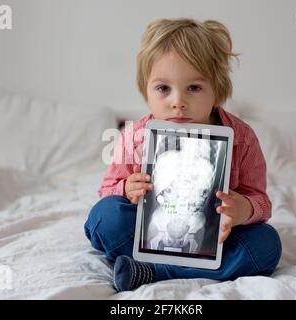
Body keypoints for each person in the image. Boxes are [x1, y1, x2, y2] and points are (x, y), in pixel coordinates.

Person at [84, 18, 282, 292]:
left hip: (216, 239)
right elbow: (106, 191)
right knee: (104, 217)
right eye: (163, 88)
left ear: (217, 88)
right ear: (146, 90)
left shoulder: (242, 138)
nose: (178, 101)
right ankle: (173, 267)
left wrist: (244, 209)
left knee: (265, 244)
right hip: (149, 233)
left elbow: (261, 201)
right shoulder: (135, 136)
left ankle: (149, 272)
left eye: (194, 87)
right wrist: (125, 189)